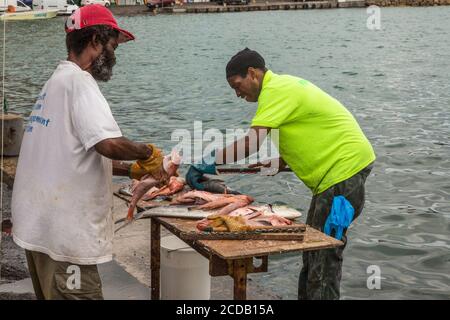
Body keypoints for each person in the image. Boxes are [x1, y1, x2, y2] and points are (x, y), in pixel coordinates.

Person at [186, 48, 376, 300]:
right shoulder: (283, 87)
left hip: (343, 176)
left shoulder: (275, 91)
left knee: (323, 258)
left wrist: (208, 163)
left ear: (252, 73)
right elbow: (311, 131)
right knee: (312, 253)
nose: (237, 93)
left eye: (237, 84)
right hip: (339, 175)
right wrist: (278, 162)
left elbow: (250, 143)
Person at [11, 5, 167, 300]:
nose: (114, 55)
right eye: (112, 45)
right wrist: (147, 152)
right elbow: (107, 144)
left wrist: (132, 170)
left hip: (39, 230)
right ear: (95, 41)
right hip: (64, 238)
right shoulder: (80, 82)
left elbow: (73, 153)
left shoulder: (56, 82)